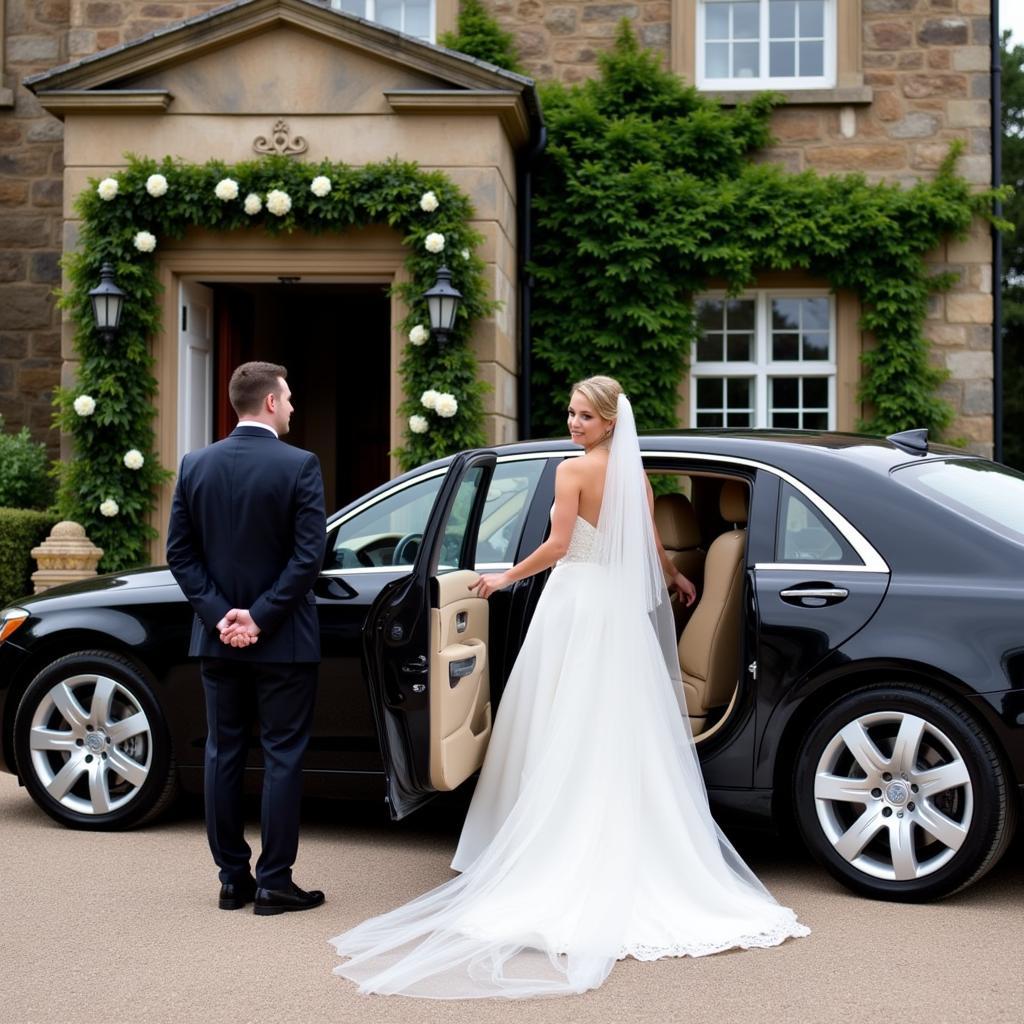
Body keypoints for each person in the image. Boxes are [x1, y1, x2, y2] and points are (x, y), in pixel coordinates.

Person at [329, 375, 809, 998]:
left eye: (585, 416)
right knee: (614, 721)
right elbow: (647, 537)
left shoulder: (571, 471)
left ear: (610, 422)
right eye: (572, 413)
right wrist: (673, 577)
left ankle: (552, 842)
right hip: (618, 610)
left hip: (578, 603)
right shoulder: (634, 472)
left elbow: (558, 545)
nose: (574, 422)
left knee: (558, 716)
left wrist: (502, 579)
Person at [167, 361, 327, 917]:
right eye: (287, 399)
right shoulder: (300, 465)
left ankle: (232, 879)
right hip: (283, 641)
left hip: (216, 641)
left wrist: (220, 616)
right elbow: (310, 557)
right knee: (283, 757)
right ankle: (274, 882)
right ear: (268, 404)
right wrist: (258, 618)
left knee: (222, 752)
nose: (291, 407)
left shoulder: (195, 465)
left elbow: (179, 555)